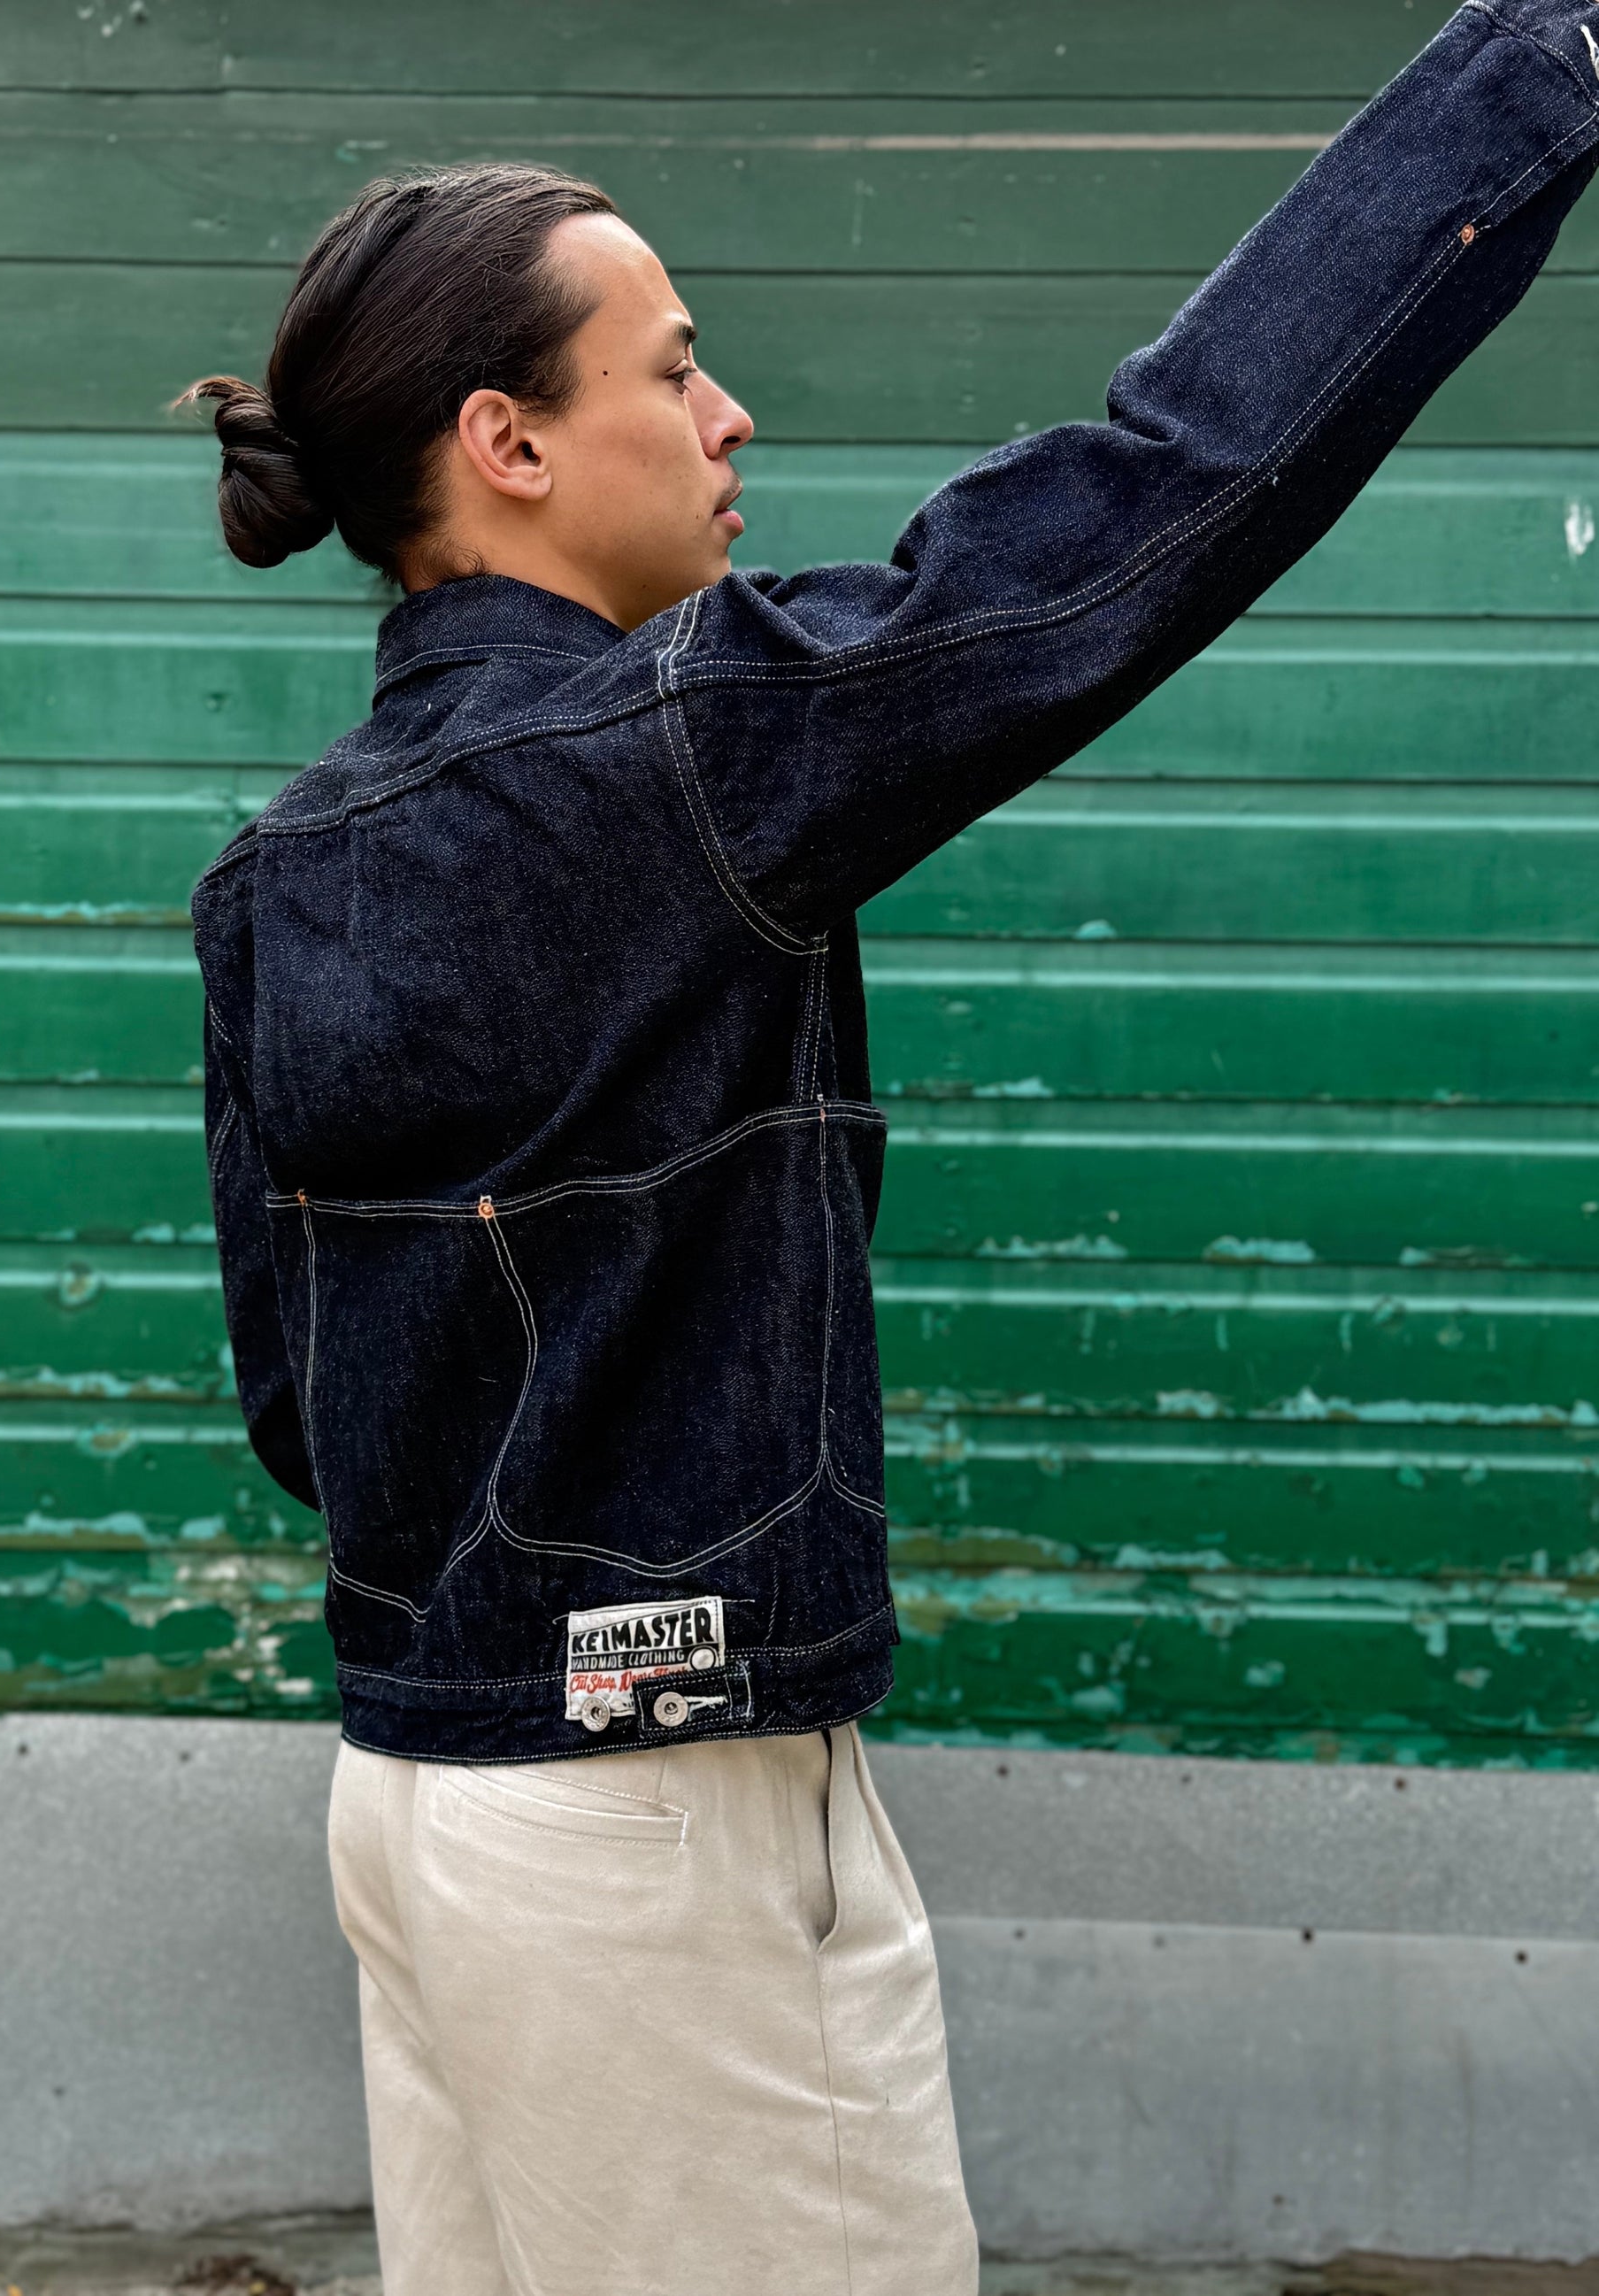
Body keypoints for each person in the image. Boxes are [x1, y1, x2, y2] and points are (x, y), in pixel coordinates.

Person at [185, 6, 1599, 2289]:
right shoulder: (688, 759)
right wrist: (1541, 72)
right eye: (671, 366)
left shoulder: (272, 878)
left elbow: (296, 1415)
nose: (730, 416)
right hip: (664, 1818)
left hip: (414, 1802)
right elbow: (1157, 493)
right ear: (505, 442)